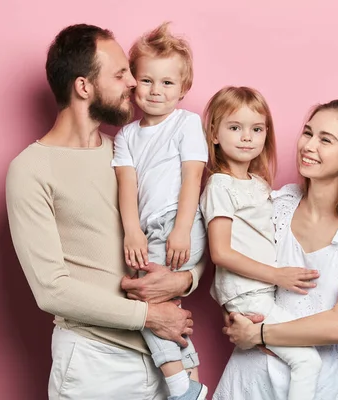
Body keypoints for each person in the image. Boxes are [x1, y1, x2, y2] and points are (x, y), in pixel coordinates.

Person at [5, 24, 205, 400]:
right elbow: (52, 290)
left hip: (164, 358)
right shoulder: (31, 169)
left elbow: (180, 226)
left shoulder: (127, 151)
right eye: (119, 74)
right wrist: (148, 316)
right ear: (84, 87)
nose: (133, 82)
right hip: (94, 363)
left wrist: (187, 279)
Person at [214, 99, 338, 400]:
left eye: (325, 139)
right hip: (257, 374)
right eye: (308, 133)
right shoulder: (277, 204)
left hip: (332, 379)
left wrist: (256, 334)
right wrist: (233, 313)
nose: (308, 145)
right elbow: (229, 260)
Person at [199, 86, 323, 400]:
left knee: (292, 361)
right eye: (234, 128)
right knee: (307, 361)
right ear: (214, 134)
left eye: (256, 129)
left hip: (263, 293)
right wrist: (277, 275)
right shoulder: (219, 184)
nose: (246, 137)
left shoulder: (259, 184)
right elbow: (220, 252)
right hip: (248, 295)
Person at [111, 22, 208, 400]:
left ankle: (180, 387)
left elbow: (192, 178)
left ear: (184, 89)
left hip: (179, 225)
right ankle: (193, 385)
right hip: (148, 230)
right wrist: (131, 231)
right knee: (163, 307)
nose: (156, 91)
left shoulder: (186, 123)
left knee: (145, 302)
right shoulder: (126, 136)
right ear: (134, 82)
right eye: (148, 80)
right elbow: (127, 186)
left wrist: (182, 229)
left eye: (168, 83)